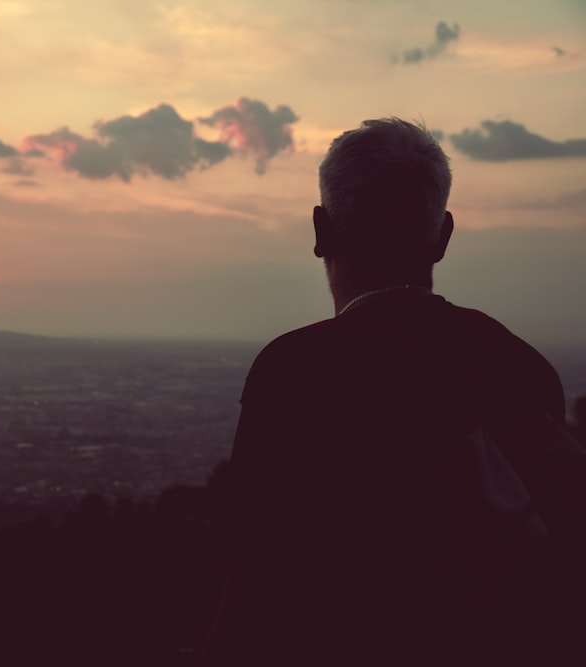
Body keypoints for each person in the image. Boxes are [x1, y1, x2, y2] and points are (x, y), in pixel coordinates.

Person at [202, 118, 582, 665]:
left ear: (320, 230)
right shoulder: (523, 368)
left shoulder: (294, 372)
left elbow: (256, 582)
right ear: (444, 236)